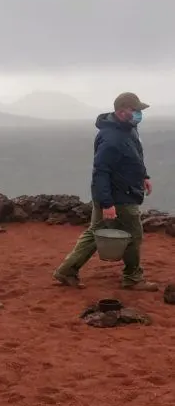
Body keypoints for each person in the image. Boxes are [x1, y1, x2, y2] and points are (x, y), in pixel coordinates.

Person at [53, 92, 158, 291]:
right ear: (121, 112)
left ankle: (67, 270)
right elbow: (101, 172)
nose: (139, 115)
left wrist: (144, 176)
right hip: (119, 196)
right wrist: (107, 203)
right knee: (134, 234)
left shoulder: (128, 129)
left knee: (95, 232)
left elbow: (134, 157)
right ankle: (133, 278)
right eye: (135, 111)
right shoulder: (111, 139)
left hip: (122, 192)